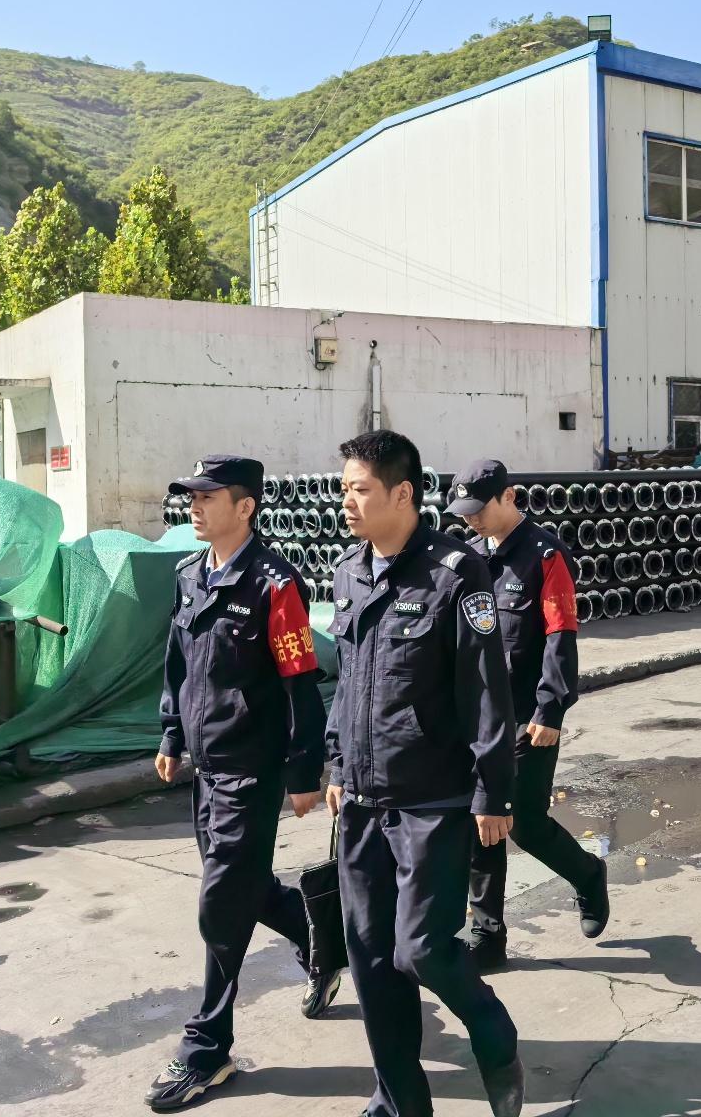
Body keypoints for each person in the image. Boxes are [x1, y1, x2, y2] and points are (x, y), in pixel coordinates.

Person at [325, 431, 524, 1117]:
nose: (347, 501)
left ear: (403, 493)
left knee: (422, 950)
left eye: (360, 490)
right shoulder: (348, 573)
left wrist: (493, 789)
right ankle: (400, 1101)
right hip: (361, 801)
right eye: (344, 488)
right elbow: (348, 683)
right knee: (370, 958)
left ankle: (490, 1023)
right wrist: (336, 760)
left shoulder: (455, 574)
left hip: (432, 800)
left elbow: (487, 689)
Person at [146, 454, 340, 1112]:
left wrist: (305, 768)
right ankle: (322, 940)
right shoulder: (189, 575)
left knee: (221, 903)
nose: (195, 507)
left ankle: (207, 1050)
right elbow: (177, 666)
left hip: (250, 772)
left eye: (208, 497)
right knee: (245, 886)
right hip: (206, 767)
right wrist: (171, 735)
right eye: (192, 497)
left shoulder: (274, 585)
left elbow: (299, 682)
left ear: (245, 506)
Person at [446, 459, 609, 969]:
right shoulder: (467, 557)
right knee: (481, 817)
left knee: (525, 823)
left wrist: (551, 707)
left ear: (509, 497)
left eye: (479, 509)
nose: (471, 520)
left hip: (526, 713)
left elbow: (561, 634)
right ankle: (487, 935)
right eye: (464, 512)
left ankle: (587, 874)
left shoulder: (545, 555)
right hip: (476, 716)